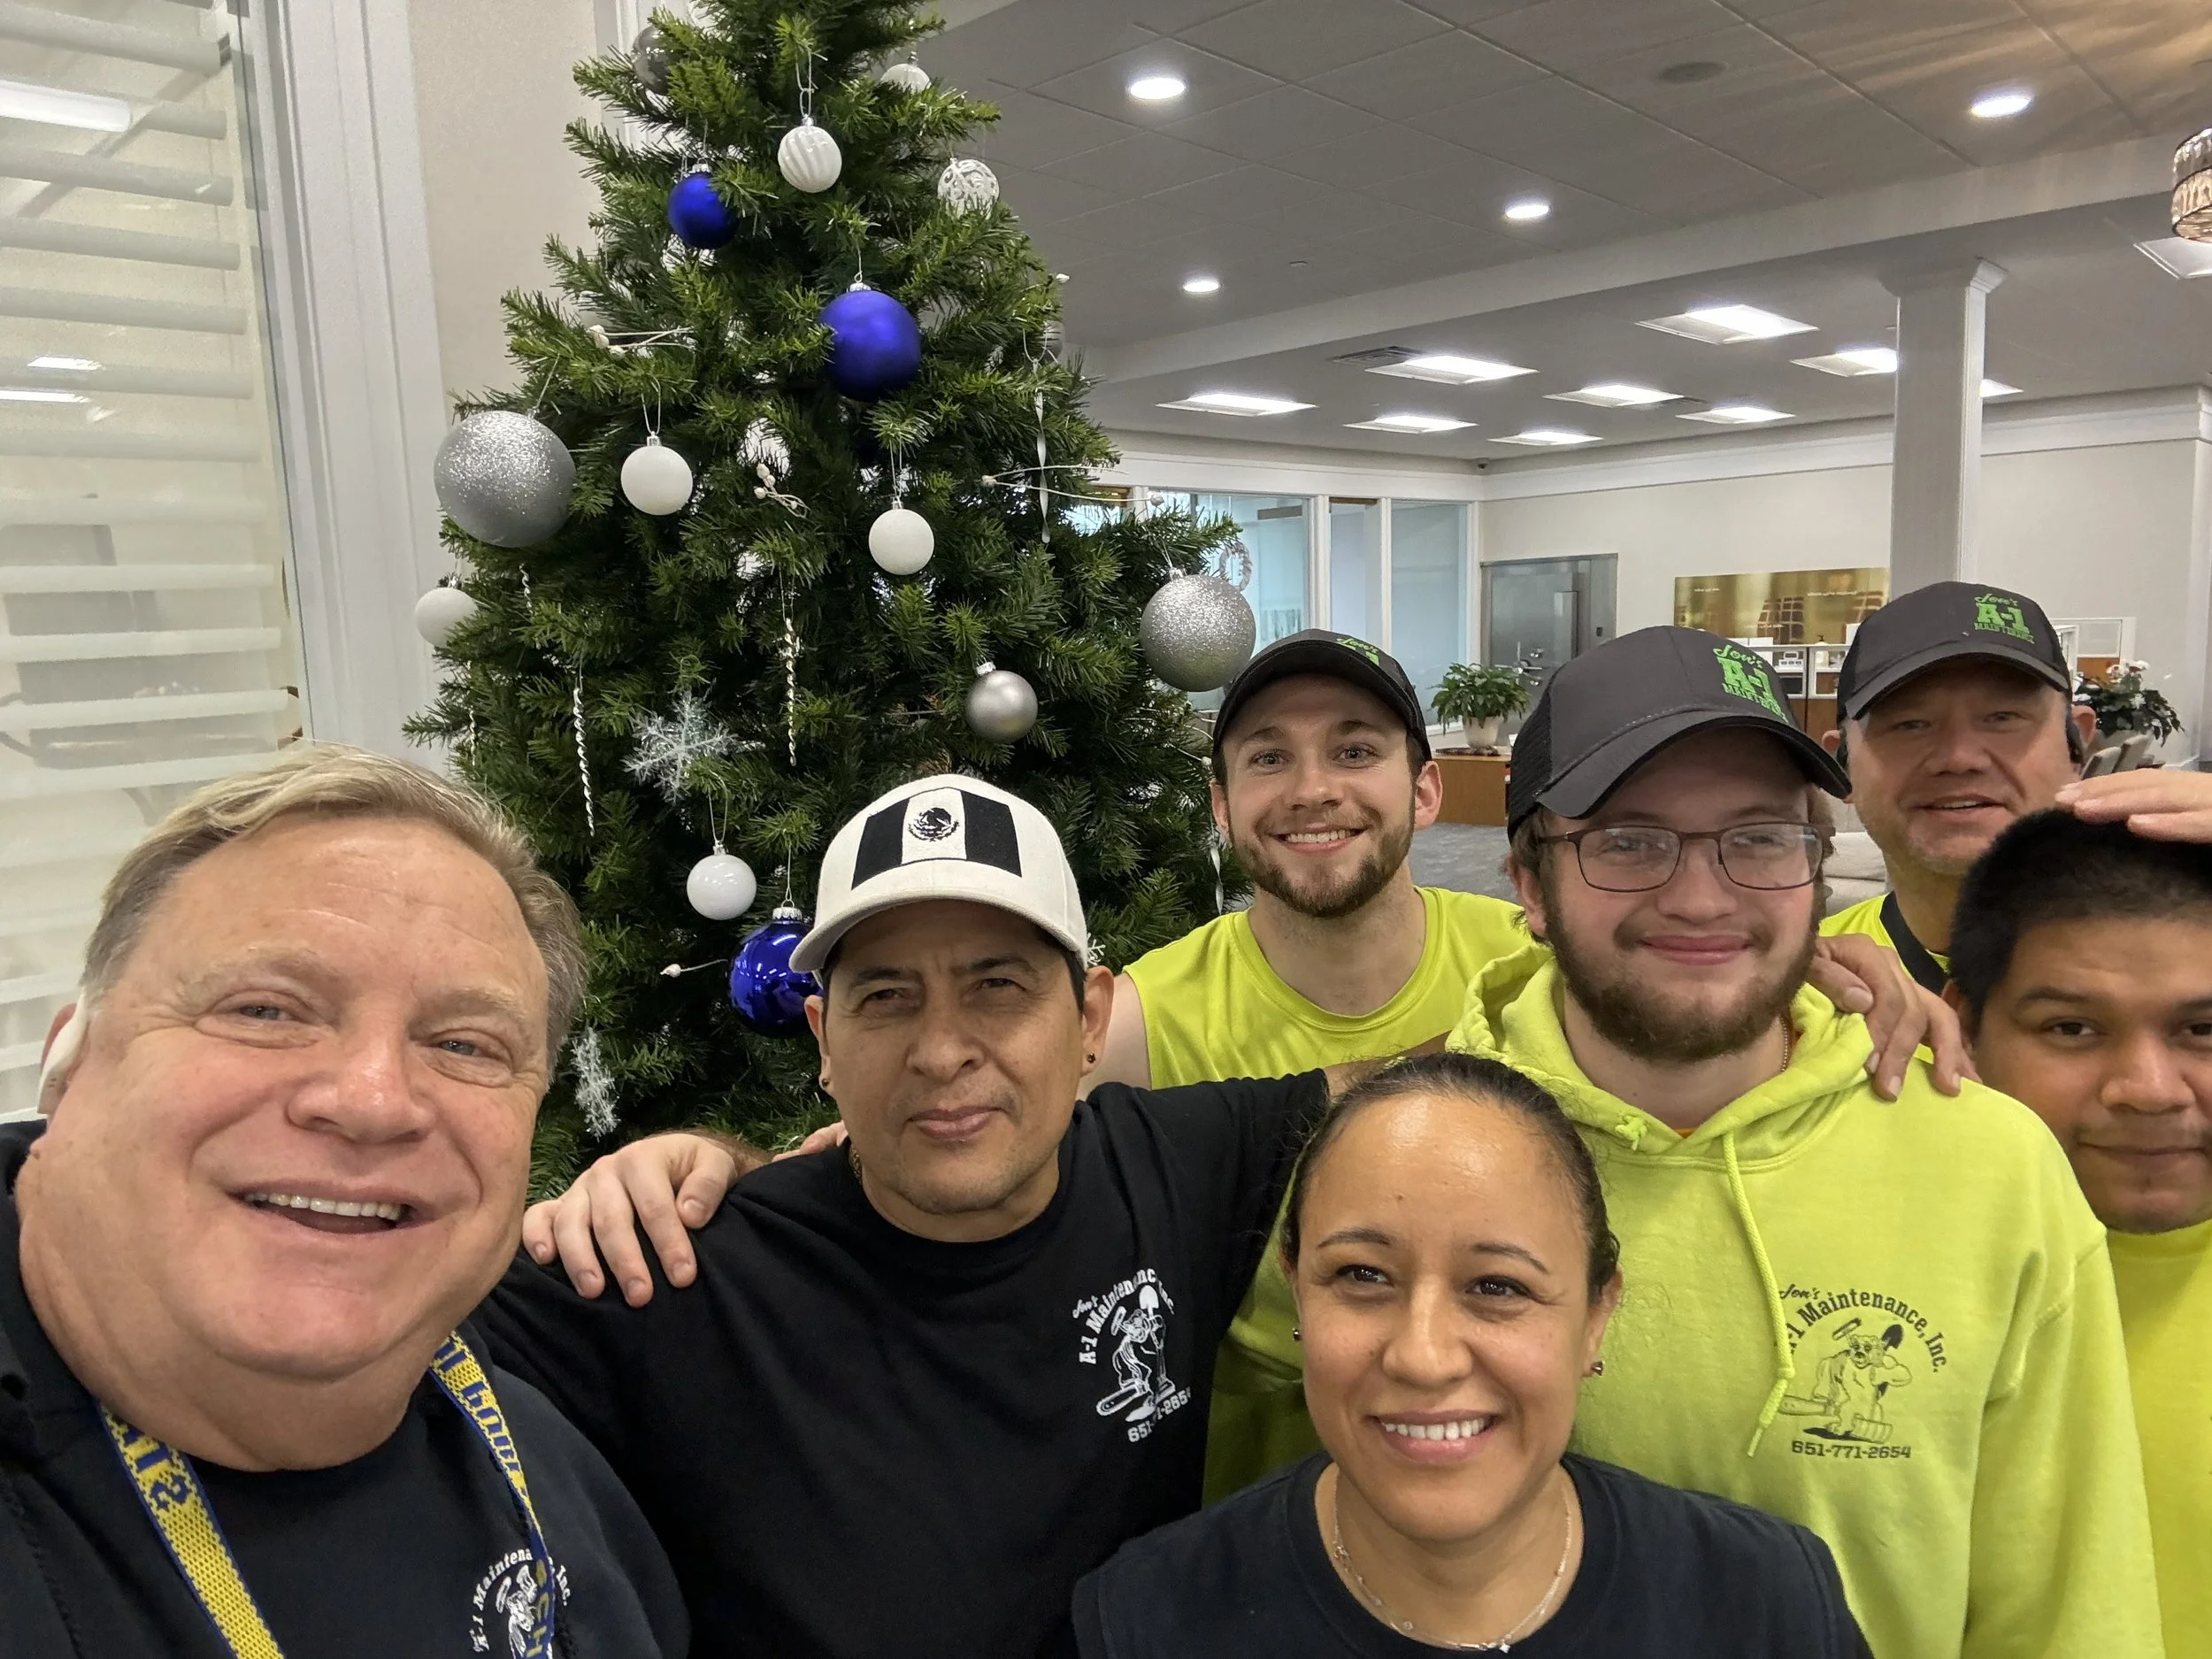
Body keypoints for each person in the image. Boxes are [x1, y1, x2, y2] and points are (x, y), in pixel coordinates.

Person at [537, 634, 1967, 1509]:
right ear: (1222, 811)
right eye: (1267, 758)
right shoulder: (1154, 1012)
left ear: (1428, 791)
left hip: (1537, 1481)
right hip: (1248, 1528)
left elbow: (1661, 978)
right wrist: (718, 1169)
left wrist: (1832, 965)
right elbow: (962, 1128)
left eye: (1355, 749)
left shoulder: (1523, 957)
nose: (1314, 788)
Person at [472, 774, 1376, 1658]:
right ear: (825, 1039)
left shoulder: (1172, 1162)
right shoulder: (672, 1269)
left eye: (998, 987)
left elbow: (1410, 1086)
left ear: (1090, 1018)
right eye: (887, 997)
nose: (941, 1052)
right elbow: (373, 1350)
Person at [1446, 625, 2158, 1659]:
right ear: (1525, 880)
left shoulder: (1990, 1165)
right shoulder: (1410, 1159)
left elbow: (2065, 1605)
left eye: (1761, 838)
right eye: (1629, 841)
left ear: (1821, 865)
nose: (1699, 897)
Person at [0, 748, 686, 1658]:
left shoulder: (534, 1407)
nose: (371, 1102)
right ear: (70, 1062)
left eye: (467, 1045)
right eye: (265, 1011)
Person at [1074, 1051, 1870, 1658]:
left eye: (1497, 1286)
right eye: (1361, 1275)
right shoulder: (1150, 1620)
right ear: (1298, 1293)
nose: (1424, 1356)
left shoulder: (1763, 1603)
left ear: (1596, 1315)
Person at [1951, 798, 2212, 1659]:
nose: (2147, 1088)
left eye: (2203, 1031)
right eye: (2070, 1028)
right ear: (1962, 1027)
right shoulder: (1896, 1259)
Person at [1817, 580, 2097, 987]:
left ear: (2077, 748)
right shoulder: (1786, 993)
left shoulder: (2186, 959)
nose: (1959, 758)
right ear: (1842, 766)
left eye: (2002, 717)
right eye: (1910, 724)